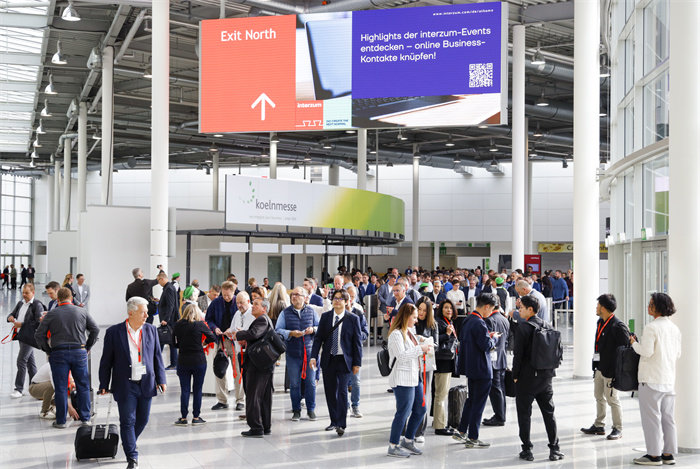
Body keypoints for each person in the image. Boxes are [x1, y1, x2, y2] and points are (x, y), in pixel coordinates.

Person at [99, 296, 167, 469]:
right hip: (125, 383)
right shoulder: (114, 332)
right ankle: (132, 456)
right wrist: (103, 384)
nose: (147, 315)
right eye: (143, 312)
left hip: (146, 382)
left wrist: (161, 379)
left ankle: (128, 442)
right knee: (127, 421)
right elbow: (106, 360)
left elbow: (157, 356)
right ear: (131, 312)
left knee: (143, 419)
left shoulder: (151, 330)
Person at [34, 287, 99, 429]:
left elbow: (39, 335)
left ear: (58, 299)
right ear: (71, 298)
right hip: (79, 352)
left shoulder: (52, 314)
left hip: (58, 353)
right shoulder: (82, 311)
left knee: (61, 388)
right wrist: (87, 347)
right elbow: (95, 329)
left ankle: (61, 421)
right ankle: (85, 418)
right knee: (83, 386)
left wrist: (48, 350)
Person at [630, 293, 681, 466]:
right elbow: (678, 354)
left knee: (651, 419)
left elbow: (646, 351)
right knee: (668, 418)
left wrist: (633, 343)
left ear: (658, 307)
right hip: (668, 379)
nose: (648, 306)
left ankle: (653, 455)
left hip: (651, 379)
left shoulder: (651, 327)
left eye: (651, 304)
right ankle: (668, 454)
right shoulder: (675, 328)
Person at [513, 295, 564, 462]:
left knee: (524, 414)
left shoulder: (523, 327)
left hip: (527, 379)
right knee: (549, 413)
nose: (518, 310)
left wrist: (515, 375)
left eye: (521, 308)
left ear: (530, 310)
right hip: (546, 378)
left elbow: (518, 355)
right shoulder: (547, 325)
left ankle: (527, 449)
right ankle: (554, 448)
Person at [310, 289, 363, 436]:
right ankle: (333, 421)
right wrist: (314, 356)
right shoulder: (326, 317)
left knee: (341, 391)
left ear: (346, 302)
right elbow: (318, 338)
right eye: (335, 298)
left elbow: (357, 343)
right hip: (329, 359)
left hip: (344, 360)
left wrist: (357, 363)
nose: (337, 301)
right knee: (330, 391)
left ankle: (341, 423)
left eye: (340, 299)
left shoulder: (352, 319)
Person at [580, 294, 630, 440]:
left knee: (612, 399)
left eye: (597, 305)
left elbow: (625, 350)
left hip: (611, 370)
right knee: (598, 396)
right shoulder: (600, 322)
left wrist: (618, 371)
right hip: (599, 367)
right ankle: (599, 425)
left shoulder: (617, 326)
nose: (596, 308)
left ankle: (618, 428)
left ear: (603, 307)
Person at [386, 303, 432, 458]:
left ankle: (408, 439)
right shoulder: (396, 335)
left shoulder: (410, 331)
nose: (416, 320)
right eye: (413, 317)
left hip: (414, 376)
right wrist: (421, 349)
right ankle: (393, 445)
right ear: (406, 317)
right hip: (402, 378)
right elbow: (402, 356)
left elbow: (412, 348)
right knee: (403, 412)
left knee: (420, 409)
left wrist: (422, 342)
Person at [453, 293, 498, 448]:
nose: (490, 312)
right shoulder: (479, 323)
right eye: (491, 309)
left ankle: (461, 431)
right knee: (478, 404)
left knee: (471, 401)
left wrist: (487, 337)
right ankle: (473, 436)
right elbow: (486, 345)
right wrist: (494, 338)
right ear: (486, 306)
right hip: (482, 369)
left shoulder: (468, 320)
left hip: (470, 367)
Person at [275, 286, 319, 421]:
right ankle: (296, 410)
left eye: (297, 295)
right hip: (293, 354)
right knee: (294, 384)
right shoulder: (285, 313)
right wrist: (290, 333)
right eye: (292, 294)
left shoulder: (312, 312)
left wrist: (313, 329)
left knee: (311, 382)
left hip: (310, 353)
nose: (294, 297)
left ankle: (311, 409)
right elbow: (278, 330)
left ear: (304, 297)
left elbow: (320, 328)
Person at [234, 297, 276, 437]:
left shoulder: (262, 320)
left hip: (258, 365)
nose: (253, 306)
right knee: (264, 396)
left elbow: (254, 334)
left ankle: (256, 427)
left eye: (256, 304)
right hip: (264, 364)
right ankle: (265, 426)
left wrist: (238, 334)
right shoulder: (262, 320)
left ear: (264, 308)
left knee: (253, 395)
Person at [173, 303, 215, 426]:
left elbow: (173, 343)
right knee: (197, 389)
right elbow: (212, 337)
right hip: (199, 360)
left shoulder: (178, 325)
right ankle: (196, 417)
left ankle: (183, 417)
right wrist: (203, 343)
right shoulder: (200, 324)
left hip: (183, 360)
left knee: (185, 389)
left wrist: (181, 345)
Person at [6, 283, 46, 398]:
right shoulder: (20, 303)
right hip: (21, 337)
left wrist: (22, 324)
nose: (24, 295)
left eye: (27, 293)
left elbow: (38, 322)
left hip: (30, 338)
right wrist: (10, 318)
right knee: (30, 362)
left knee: (21, 361)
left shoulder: (36, 305)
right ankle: (35, 387)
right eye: (23, 292)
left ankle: (18, 389)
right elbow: (12, 314)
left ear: (33, 292)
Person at [205, 280, 239, 410]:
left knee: (238, 372)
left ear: (233, 292)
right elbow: (209, 319)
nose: (225, 298)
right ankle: (222, 400)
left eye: (228, 296)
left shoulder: (238, 302)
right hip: (221, 341)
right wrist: (215, 328)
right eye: (223, 295)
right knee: (219, 370)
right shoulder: (216, 302)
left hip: (235, 341)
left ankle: (240, 400)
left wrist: (234, 331)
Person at [483, 299, 510, 426]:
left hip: (493, 358)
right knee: (501, 388)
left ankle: (499, 416)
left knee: (496, 389)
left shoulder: (490, 320)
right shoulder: (504, 319)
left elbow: (489, 340)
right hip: (502, 357)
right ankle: (501, 414)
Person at [414, 297, 437, 442]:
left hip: (426, 365)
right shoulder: (411, 322)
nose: (421, 313)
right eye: (419, 309)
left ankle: (420, 431)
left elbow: (437, 345)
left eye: (424, 310)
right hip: (411, 364)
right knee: (411, 398)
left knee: (424, 397)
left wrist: (424, 341)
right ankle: (408, 428)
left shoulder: (432, 325)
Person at [433, 300, 458, 436]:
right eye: (445, 308)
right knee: (441, 394)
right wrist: (447, 334)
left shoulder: (448, 322)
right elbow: (435, 340)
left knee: (441, 393)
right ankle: (440, 425)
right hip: (442, 362)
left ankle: (438, 420)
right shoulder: (439, 322)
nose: (448, 310)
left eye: (450, 308)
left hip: (447, 362)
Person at [227, 291, 254, 412]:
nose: (239, 305)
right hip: (239, 351)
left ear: (248, 301)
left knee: (250, 379)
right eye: (237, 303)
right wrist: (230, 333)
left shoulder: (254, 313)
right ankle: (241, 400)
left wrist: (242, 334)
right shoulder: (237, 314)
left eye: (241, 302)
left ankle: (250, 404)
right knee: (240, 376)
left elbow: (256, 332)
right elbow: (232, 329)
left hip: (251, 352)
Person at [346, 285, 369, 418]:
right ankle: (346, 406)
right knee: (343, 381)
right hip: (342, 352)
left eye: (353, 297)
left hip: (355, 351)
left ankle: (355, 405)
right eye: (348, 296)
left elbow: (365, 331)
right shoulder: (338, 311)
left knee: (356, 381)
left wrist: (358, 337)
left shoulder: (358, 311)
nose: (350, 299)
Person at [156, 272, 179, 370]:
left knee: (169, 341)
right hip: (169, 319)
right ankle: (172, 363)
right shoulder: (168, 288)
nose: (158, 283)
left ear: (162, 279)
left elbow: (171, 305)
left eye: (158, 280)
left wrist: (166, 319)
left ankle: (173, 364)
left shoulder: (169, 288)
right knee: (169, 341)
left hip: (170, 320)